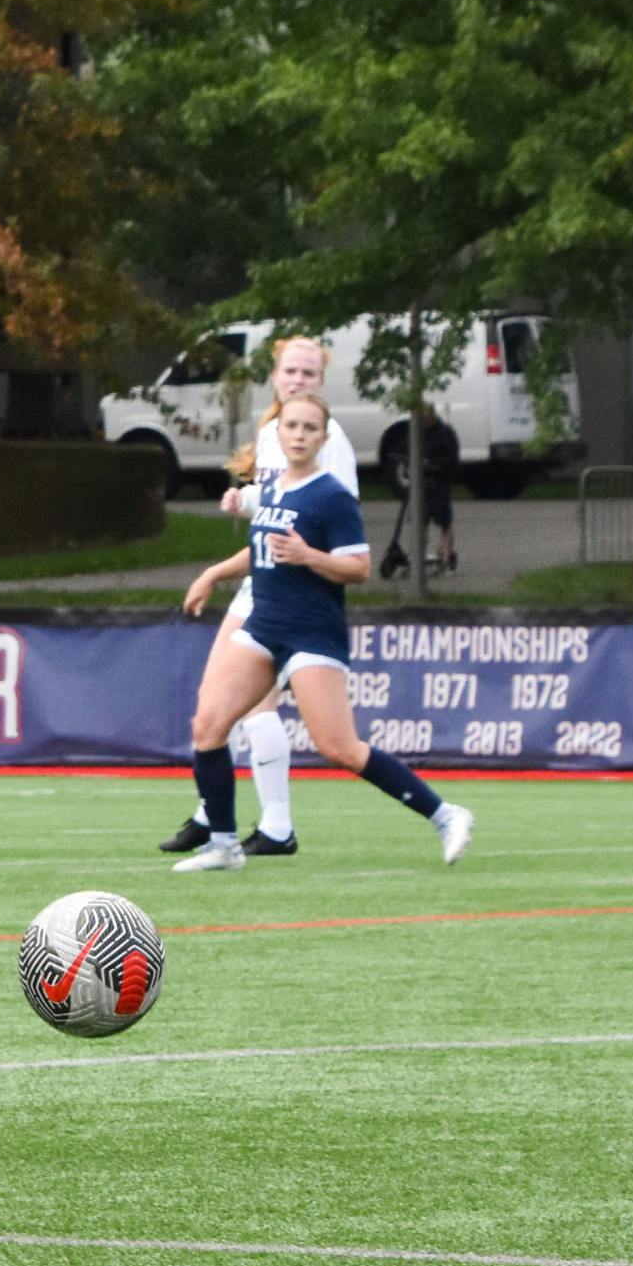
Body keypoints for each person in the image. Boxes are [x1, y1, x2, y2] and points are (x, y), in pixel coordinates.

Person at [170, 388, 473, 872]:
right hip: (264, 625)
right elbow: (264, 552)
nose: (299, 435)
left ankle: (445, 814)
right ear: (278, 431)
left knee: (340, 748)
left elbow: (360, 567)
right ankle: (224, 845)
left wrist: (310, 557)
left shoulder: (331, 494)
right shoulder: (272, 490)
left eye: (310, 428)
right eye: (291, 426)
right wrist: (212, 574)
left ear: (323, 436)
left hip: (311, 633)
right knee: (208, 725)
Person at [160, 336, 358, 860]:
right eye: (291, 371)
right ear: (274, 376)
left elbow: (330, 516)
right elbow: (278, 502)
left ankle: (266, 824)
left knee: (246, 711)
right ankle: (224, 814)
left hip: (292, 591)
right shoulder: (275, 431)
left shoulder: (326, 437)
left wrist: (301, 559)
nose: (298, 380)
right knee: (215, 708)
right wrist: (244, 500)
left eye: (309, 374)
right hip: (262, 579)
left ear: (321, 383)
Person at [419, 403, 459, 572]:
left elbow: (451, 460)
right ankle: (421, 555)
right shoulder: (418, 433)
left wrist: (434, 466)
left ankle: (447, 556)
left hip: (440, 482)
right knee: (421, 520)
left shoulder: (445, 433)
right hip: (423, 483)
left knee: (444, 521)